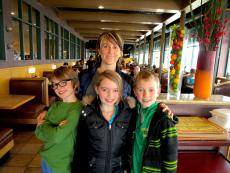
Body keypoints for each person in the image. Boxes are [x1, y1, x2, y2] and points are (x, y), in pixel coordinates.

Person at [72, 70, 132, 173]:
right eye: (104, 89)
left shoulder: (127, 114)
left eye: (115, 90)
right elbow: (80, 149)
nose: (110, 95)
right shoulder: (87, 113)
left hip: (118, 169)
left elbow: (130, 145)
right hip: (93, 169)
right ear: (97, 89)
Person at [35, 66, 84, 173]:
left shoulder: (77, 109)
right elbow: (38, 132)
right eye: (55, 85)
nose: (58, 88)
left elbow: (57, 137)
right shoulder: (54, 105)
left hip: (62, 164)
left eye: (63, 83)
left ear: (75, 83)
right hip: (46, 158)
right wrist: (53, 128)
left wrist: (44, 126)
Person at [128, 70, 178, 173]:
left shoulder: (164, 120)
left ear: (158, 92)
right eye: (141, 90)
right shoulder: (132, 115)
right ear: (134, 91)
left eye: (151, 90)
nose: (146, 95)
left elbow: (171, 155)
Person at [78, 31, 133, 104]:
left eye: (115, 47)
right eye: (105, 46)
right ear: (99, 51)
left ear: (121, 53)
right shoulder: (84, 75)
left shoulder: (128, 81)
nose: (110, 51)